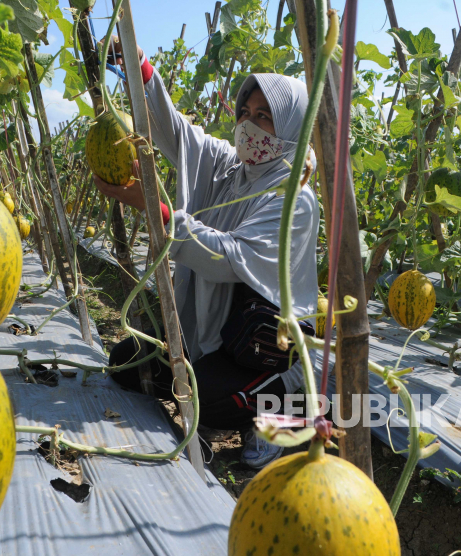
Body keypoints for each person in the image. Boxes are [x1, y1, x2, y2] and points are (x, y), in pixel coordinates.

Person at [93, 38, 318, 469]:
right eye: (245, 114)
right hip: (219, 334)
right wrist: (140, 67)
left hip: (266, 342)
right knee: (125, 365)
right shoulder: (233, 168)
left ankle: (287, 412)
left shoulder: (295, 198)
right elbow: (174, 131)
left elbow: (228, 257)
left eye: (264, 117)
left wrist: (155, 209)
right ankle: (230, 388)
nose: (249, 126)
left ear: (291, 125)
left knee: (207, 402)